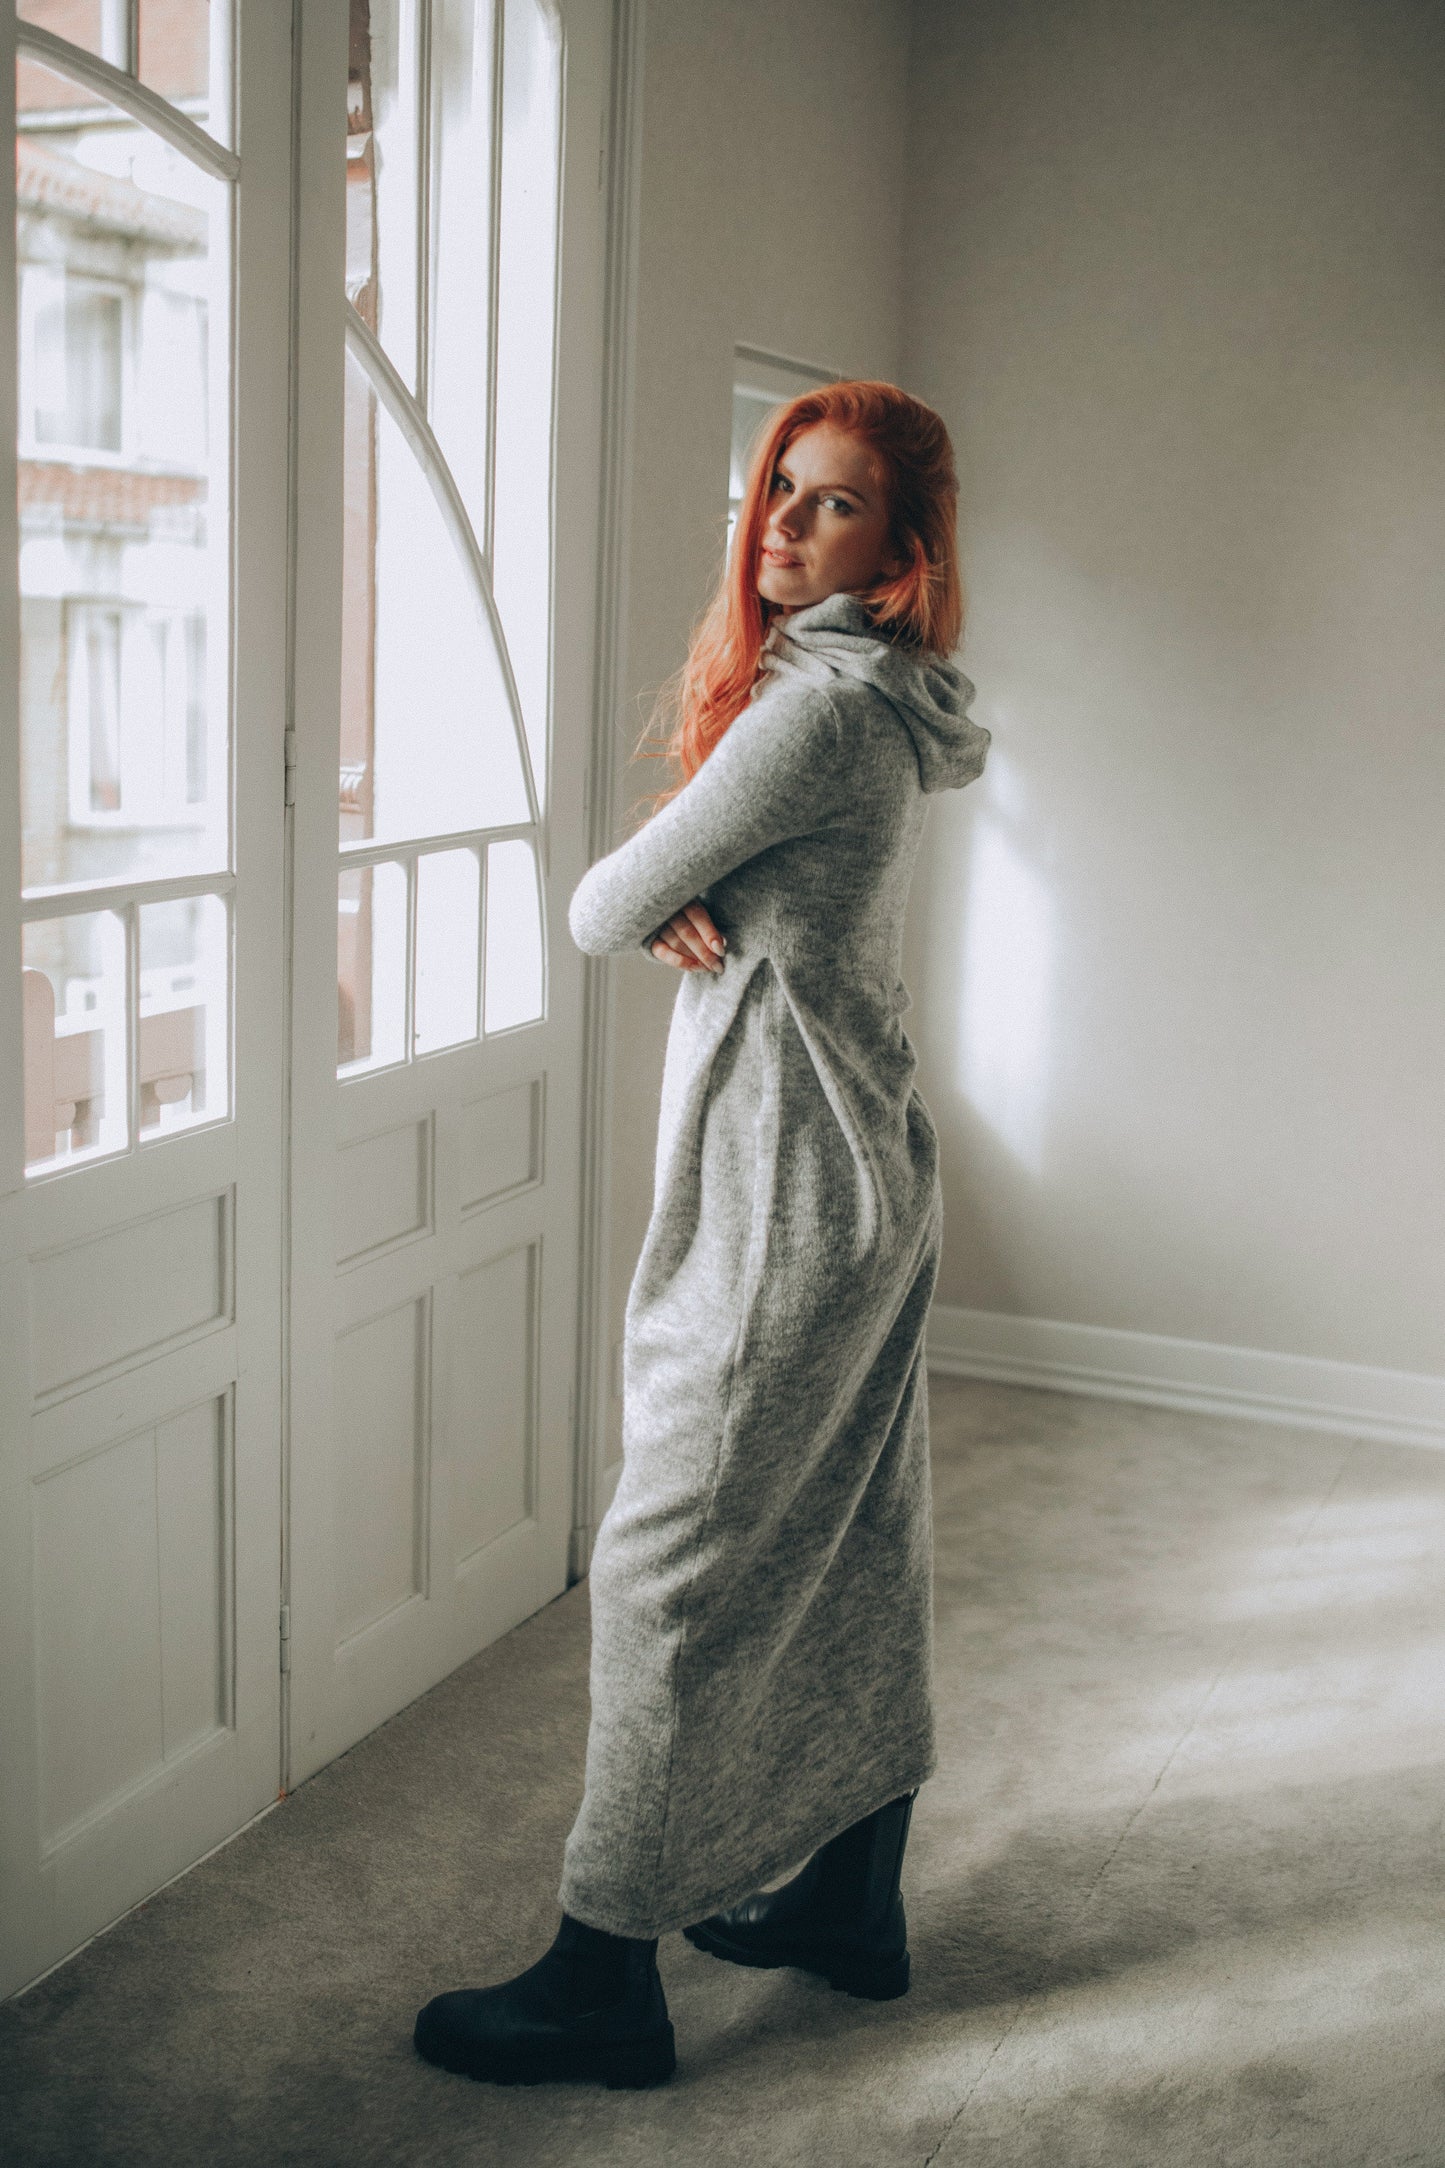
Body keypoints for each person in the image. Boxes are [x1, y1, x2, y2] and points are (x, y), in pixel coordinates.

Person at [413, 380, 990, 2089]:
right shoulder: (895, 701)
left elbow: (595, 906)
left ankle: (600, 1977)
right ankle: (850, 1902)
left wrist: (665, 889)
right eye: (777, 494)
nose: (781, 529)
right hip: (867, 1174)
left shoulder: (808, 717)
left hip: (782, 1203)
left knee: (665, 1573)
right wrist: (689, 890)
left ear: (904, 547)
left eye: (833, 505)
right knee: (856, 1539)